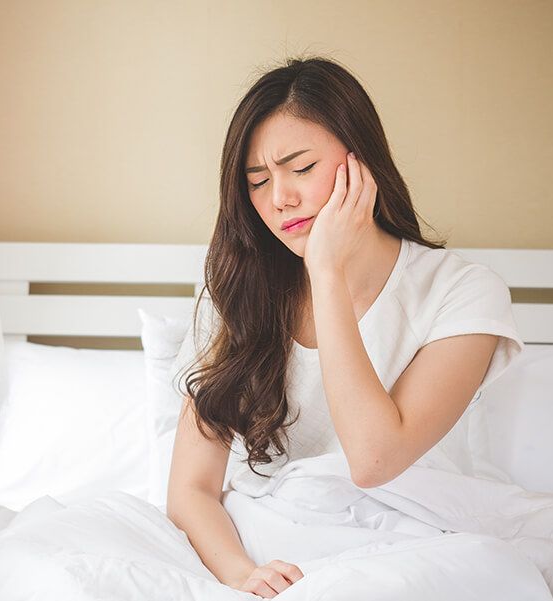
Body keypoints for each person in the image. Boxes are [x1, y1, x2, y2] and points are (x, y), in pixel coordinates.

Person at [166, 57, 525, 598]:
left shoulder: (462, 292)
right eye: (258, 181)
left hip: (415, 540)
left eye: (301, 168)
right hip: (271, 541)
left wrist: (326, 273)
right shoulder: (239, 292)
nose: (279, 198)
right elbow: (192, 488)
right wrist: (241, 573)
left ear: (361, 160)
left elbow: (375, 459)